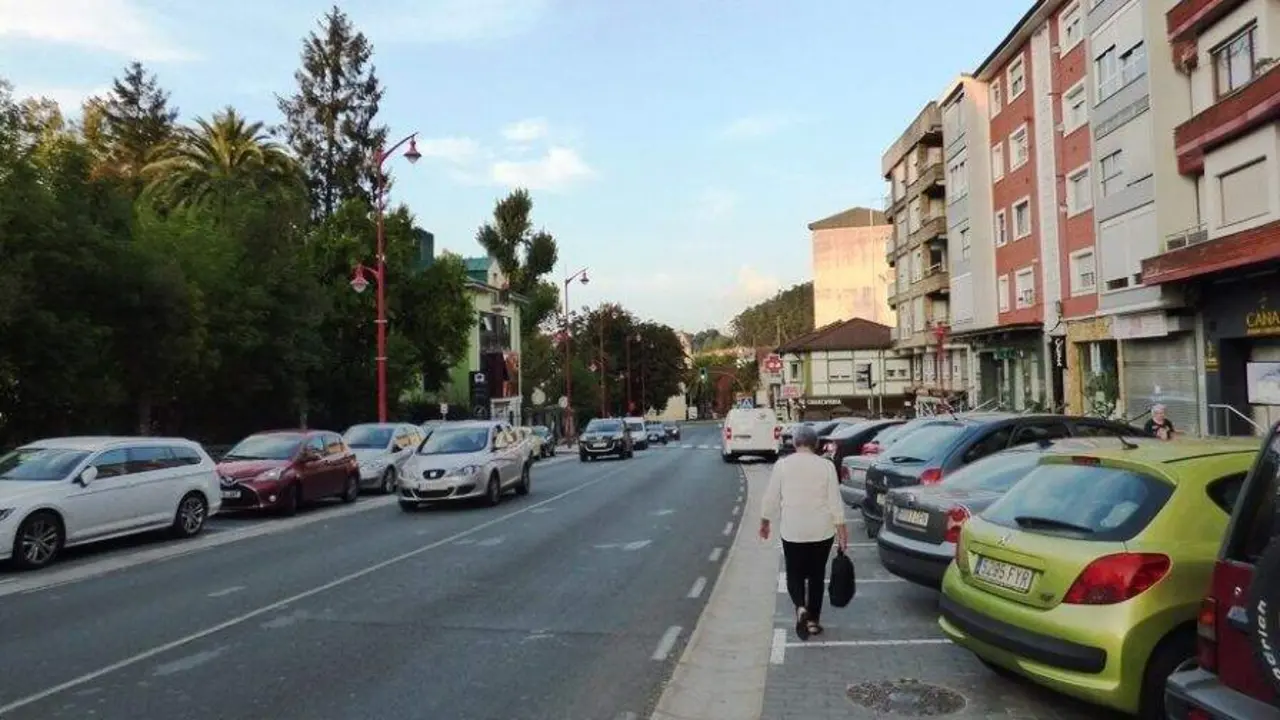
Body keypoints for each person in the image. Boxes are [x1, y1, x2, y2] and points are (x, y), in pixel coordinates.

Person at [759, 425, 849, 640]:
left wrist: (765, 521)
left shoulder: (782, 465)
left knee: (795, 572)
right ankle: (813, 622)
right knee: (817, 576)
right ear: (816, 444)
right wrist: (842, 530)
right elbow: (834, 501)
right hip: (821, 530)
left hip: (793, 530)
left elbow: (771, 496)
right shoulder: (826, 466)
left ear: (795, 443)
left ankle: (800, 607)